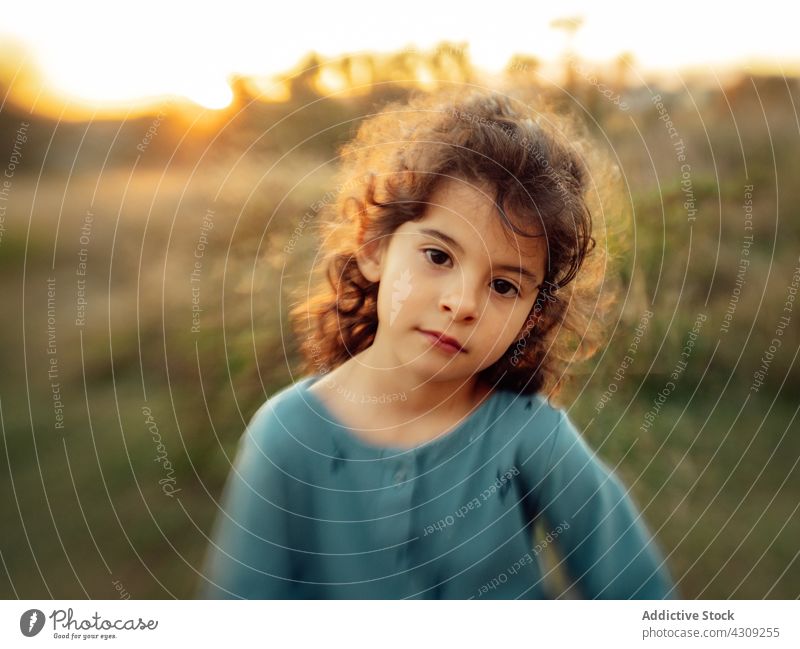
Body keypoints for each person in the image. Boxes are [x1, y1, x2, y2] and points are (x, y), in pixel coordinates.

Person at [200, 88, 676, 599]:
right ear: (375, 248)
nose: (462, 303)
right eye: (438, 256)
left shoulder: (528, 435)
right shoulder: (289, 438)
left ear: (532, 315)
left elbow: (639, 593)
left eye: (503, 286)